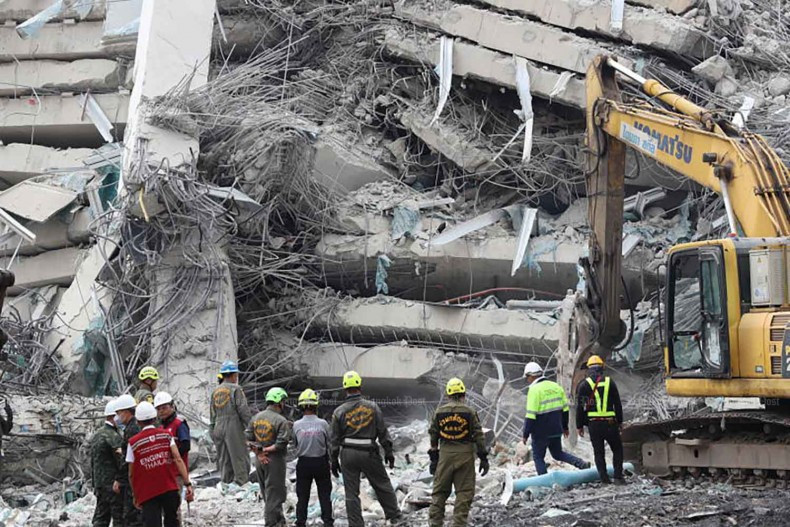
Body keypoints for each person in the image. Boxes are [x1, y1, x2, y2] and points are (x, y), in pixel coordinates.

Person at [330, 371, 404, 527]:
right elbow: (382, 431)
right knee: (381, 484)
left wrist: (333, 460)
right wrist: (389, 452)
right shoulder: (372, 407)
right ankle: (395, 516)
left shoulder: (339, 412)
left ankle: (356, 524)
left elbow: (334, 439)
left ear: (345, 388)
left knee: (351, 492)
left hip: (348, 454)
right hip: (368, 452)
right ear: (359, 386)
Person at [428, 378, 488, 527]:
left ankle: (435, 524)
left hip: (445, 456)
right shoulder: (470, 412)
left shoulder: (439, 412)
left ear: (448, 395)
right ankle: (458, 524)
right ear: (463, 394)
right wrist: (483, 457)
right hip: (465, 455)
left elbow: (433, 436)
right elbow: (479, 436)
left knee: (439, 493)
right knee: (464, 492)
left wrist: (434, 459)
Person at [126, 402, 194, 527]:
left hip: (148, 493)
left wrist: (135, 495)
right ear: (154, 418)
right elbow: (178, 459)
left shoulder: (133, 443)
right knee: (172, 521)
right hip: (169, 488)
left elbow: (131, 473)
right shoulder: (167, 435)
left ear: (138, 421)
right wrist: (187, 483)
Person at [522, 361, 589, 475]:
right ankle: (581, 464)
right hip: (556, 429)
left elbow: (530, 415)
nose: (527, 380)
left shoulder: (534, 390)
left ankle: (544, 480)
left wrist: (525, 434)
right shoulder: (556, 386)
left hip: (540, 432)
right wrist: (565, 427)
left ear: (531, 376)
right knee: (557, 453)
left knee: (538, 457)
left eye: (527, 378)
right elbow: (565, 410)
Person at [576, 355, 625, 484]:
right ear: (602, 368)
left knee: (599, 453)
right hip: (610, 423)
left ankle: (604, 479)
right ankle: (618, 477)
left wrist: (579, 425)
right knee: (617, 449)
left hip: (594, 425)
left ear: (588, 369)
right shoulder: (610, 382)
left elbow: (580, 407)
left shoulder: (584, 385)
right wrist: (620, 422)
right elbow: (618, 405)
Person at [246, 387, 291, 527]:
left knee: (267, 493)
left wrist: (259, 453)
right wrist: (265, 450)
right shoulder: (281, 420)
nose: (284, 404)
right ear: (279, 402)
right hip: (275, 461)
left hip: (260, 460)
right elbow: (281, 443)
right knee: (274, 495)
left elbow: (247, 439)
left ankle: (279, 521)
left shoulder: (256, 418)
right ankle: (271, 523)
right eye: (283, 401)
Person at [292, 389, 333, 527]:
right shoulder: (323, 424)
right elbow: (330, 443)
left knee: (302, 496)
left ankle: (301, 522)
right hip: (321, 462)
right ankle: (328, 522)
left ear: (301, 406)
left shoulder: (296, 425)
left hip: (303, 463)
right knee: (325, 495)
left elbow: (295, 444)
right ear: (316, 406)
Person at [210, 360, 252, 486]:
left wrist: (212, 430)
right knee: (239, 455)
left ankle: (226, 483)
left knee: (224, 457)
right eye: (236, 375)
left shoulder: (215, 391)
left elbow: (212, 413)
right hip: (232, 425)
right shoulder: (236, 389)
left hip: (218, 425)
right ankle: (241, 482)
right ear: (233, 375)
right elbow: (242, 409)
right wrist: (251, 427)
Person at [90, 399, 123, 527]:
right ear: (113, 416)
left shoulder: (97, 434)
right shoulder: (113, 436)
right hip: (113, 485)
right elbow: (120, 461)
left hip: (99, 484)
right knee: (118, 518)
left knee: (101, 517)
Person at [113, 394, 143, 527]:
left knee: (132, 516)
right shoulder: (135, 426)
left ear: (126, 412)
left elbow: (128, 459)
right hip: (137, 477)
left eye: (119, 413)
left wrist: (119, 479)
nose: (118, 417)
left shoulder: (132, 429)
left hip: (133, 478)